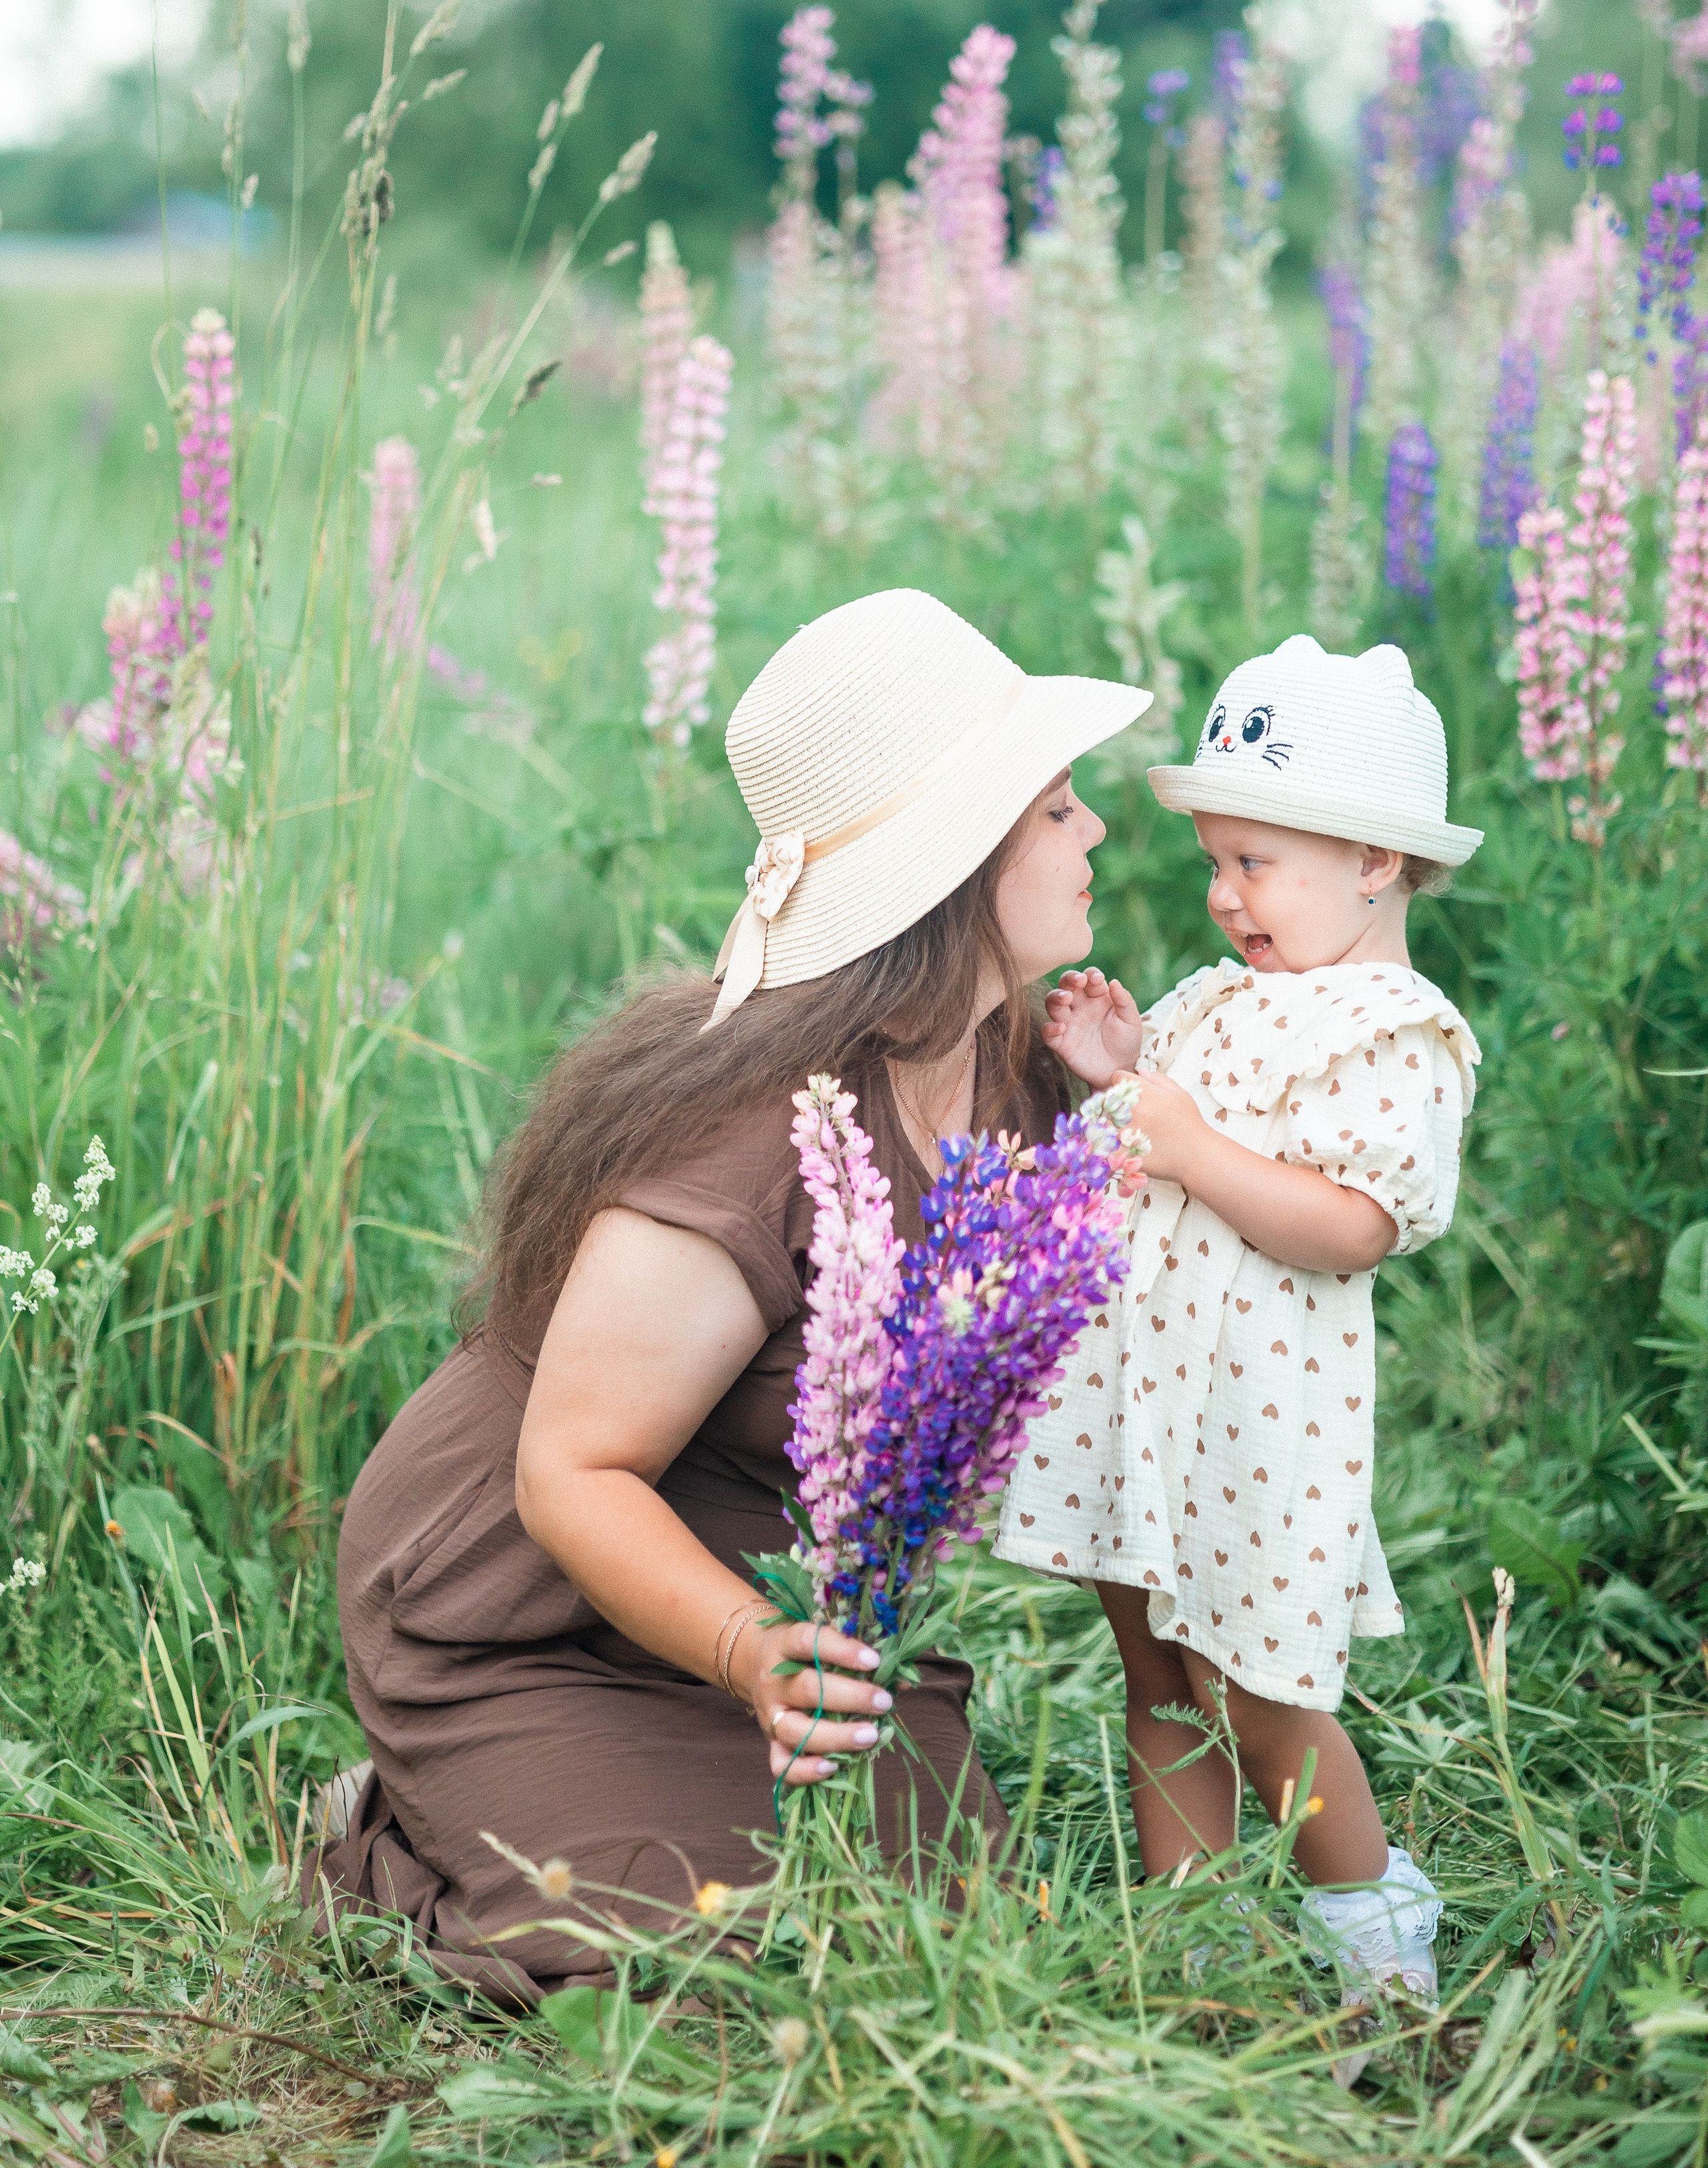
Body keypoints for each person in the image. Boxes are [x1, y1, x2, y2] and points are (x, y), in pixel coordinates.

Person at [313, 587, 1150, 2005]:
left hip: (765, 1592)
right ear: (953, 863)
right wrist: (751, 1651)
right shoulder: (752, 1143)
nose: (1093, 835)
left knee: (946, 1923)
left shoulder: (1010, 1061)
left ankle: (609, 1800)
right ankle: (390, 1846)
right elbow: (571, 1472)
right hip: (529, 1607)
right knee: (698, 1958)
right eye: (1056, 806)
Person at [996, 634, 1481, 2002]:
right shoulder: (1217, 1002)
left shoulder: (1390, 1033)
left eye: (1250, 863)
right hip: (1144, 1404)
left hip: (1263, 1428)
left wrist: (1191, 1145)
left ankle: (1373, 1936)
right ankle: (1190, 1945)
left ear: (1371, 861)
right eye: (1212, 862)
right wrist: (1111, 1061)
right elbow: (1150, 1124)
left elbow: (1353, 1226)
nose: (1220, 898)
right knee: (1154, 1676)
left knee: (1260, 1699)